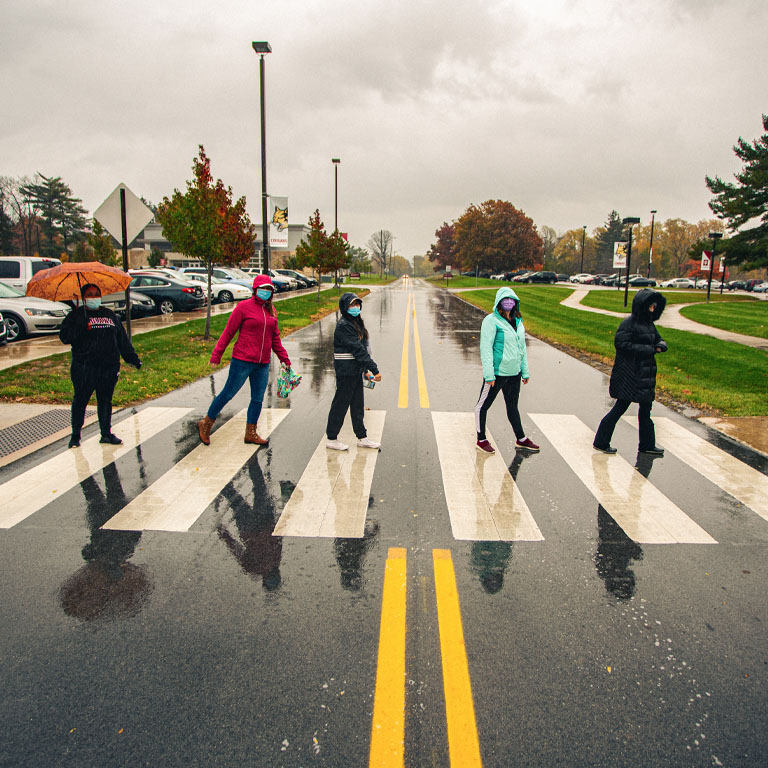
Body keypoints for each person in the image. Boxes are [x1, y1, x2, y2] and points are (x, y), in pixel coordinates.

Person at [198, 274, 290, 446]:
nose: (266, 292)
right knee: (228, 393)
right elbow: (228, 333)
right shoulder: (243, 308)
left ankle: (251, 433)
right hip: (242, 360)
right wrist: (216, 355)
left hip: (262, 364)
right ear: (255, 290)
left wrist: (284, 358)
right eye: (263, 289)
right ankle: (206, 423)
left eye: (269, 290)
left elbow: (275, 338)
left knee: (257, 398)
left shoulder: (271, 311)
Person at [59, 283, 142, 448]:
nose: (94, 297)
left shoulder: (109, 315)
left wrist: (132, 358)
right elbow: (65, 337)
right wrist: (81, 326)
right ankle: (75, 435)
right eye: (90, 294)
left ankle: (106, 434)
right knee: (80, 400)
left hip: (108, 367)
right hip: (84, 368)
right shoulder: (76, 316)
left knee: (105, 401)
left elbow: (121, 340)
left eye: (96, 293)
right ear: (83, 298)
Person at [593, 288, 668, 456]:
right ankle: (601, 441)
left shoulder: (649, 324)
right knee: (620, 408)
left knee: (645, 412)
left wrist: (661, 345)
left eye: (655, 306)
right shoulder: (628, 324)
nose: (653, 309)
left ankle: (647, 444)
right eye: (650, 306)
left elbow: (659, 338)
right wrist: (649, 349)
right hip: (630, 374)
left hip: (645, 376)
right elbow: (622, 344)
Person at [475, 286, 539, 454]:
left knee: (512, 407)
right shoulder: (491, 320)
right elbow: (486, 348)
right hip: (497, 374)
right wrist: (489, 374)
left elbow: (521, 348)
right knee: (483, 406)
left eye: (511, 299)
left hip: (514, 373)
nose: (509, 302)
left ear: (516, 302)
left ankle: (521, 438)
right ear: (499, 302)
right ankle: (481, 440)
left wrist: (524, 371)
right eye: (505, 299)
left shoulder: (518, 321)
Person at [325, 293, 382, 451]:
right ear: (344, 307)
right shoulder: (344, 325)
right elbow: (357, 350)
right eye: (351, 305)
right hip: (346, 372)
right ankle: (331, 438)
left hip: (355, 371)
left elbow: (362, 348)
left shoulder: (355, 322)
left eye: (357, 304)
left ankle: (362, 437)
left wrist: (364, 371)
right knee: (340, 405)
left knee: (357, 405)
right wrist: (373, 368)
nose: (355, 308)